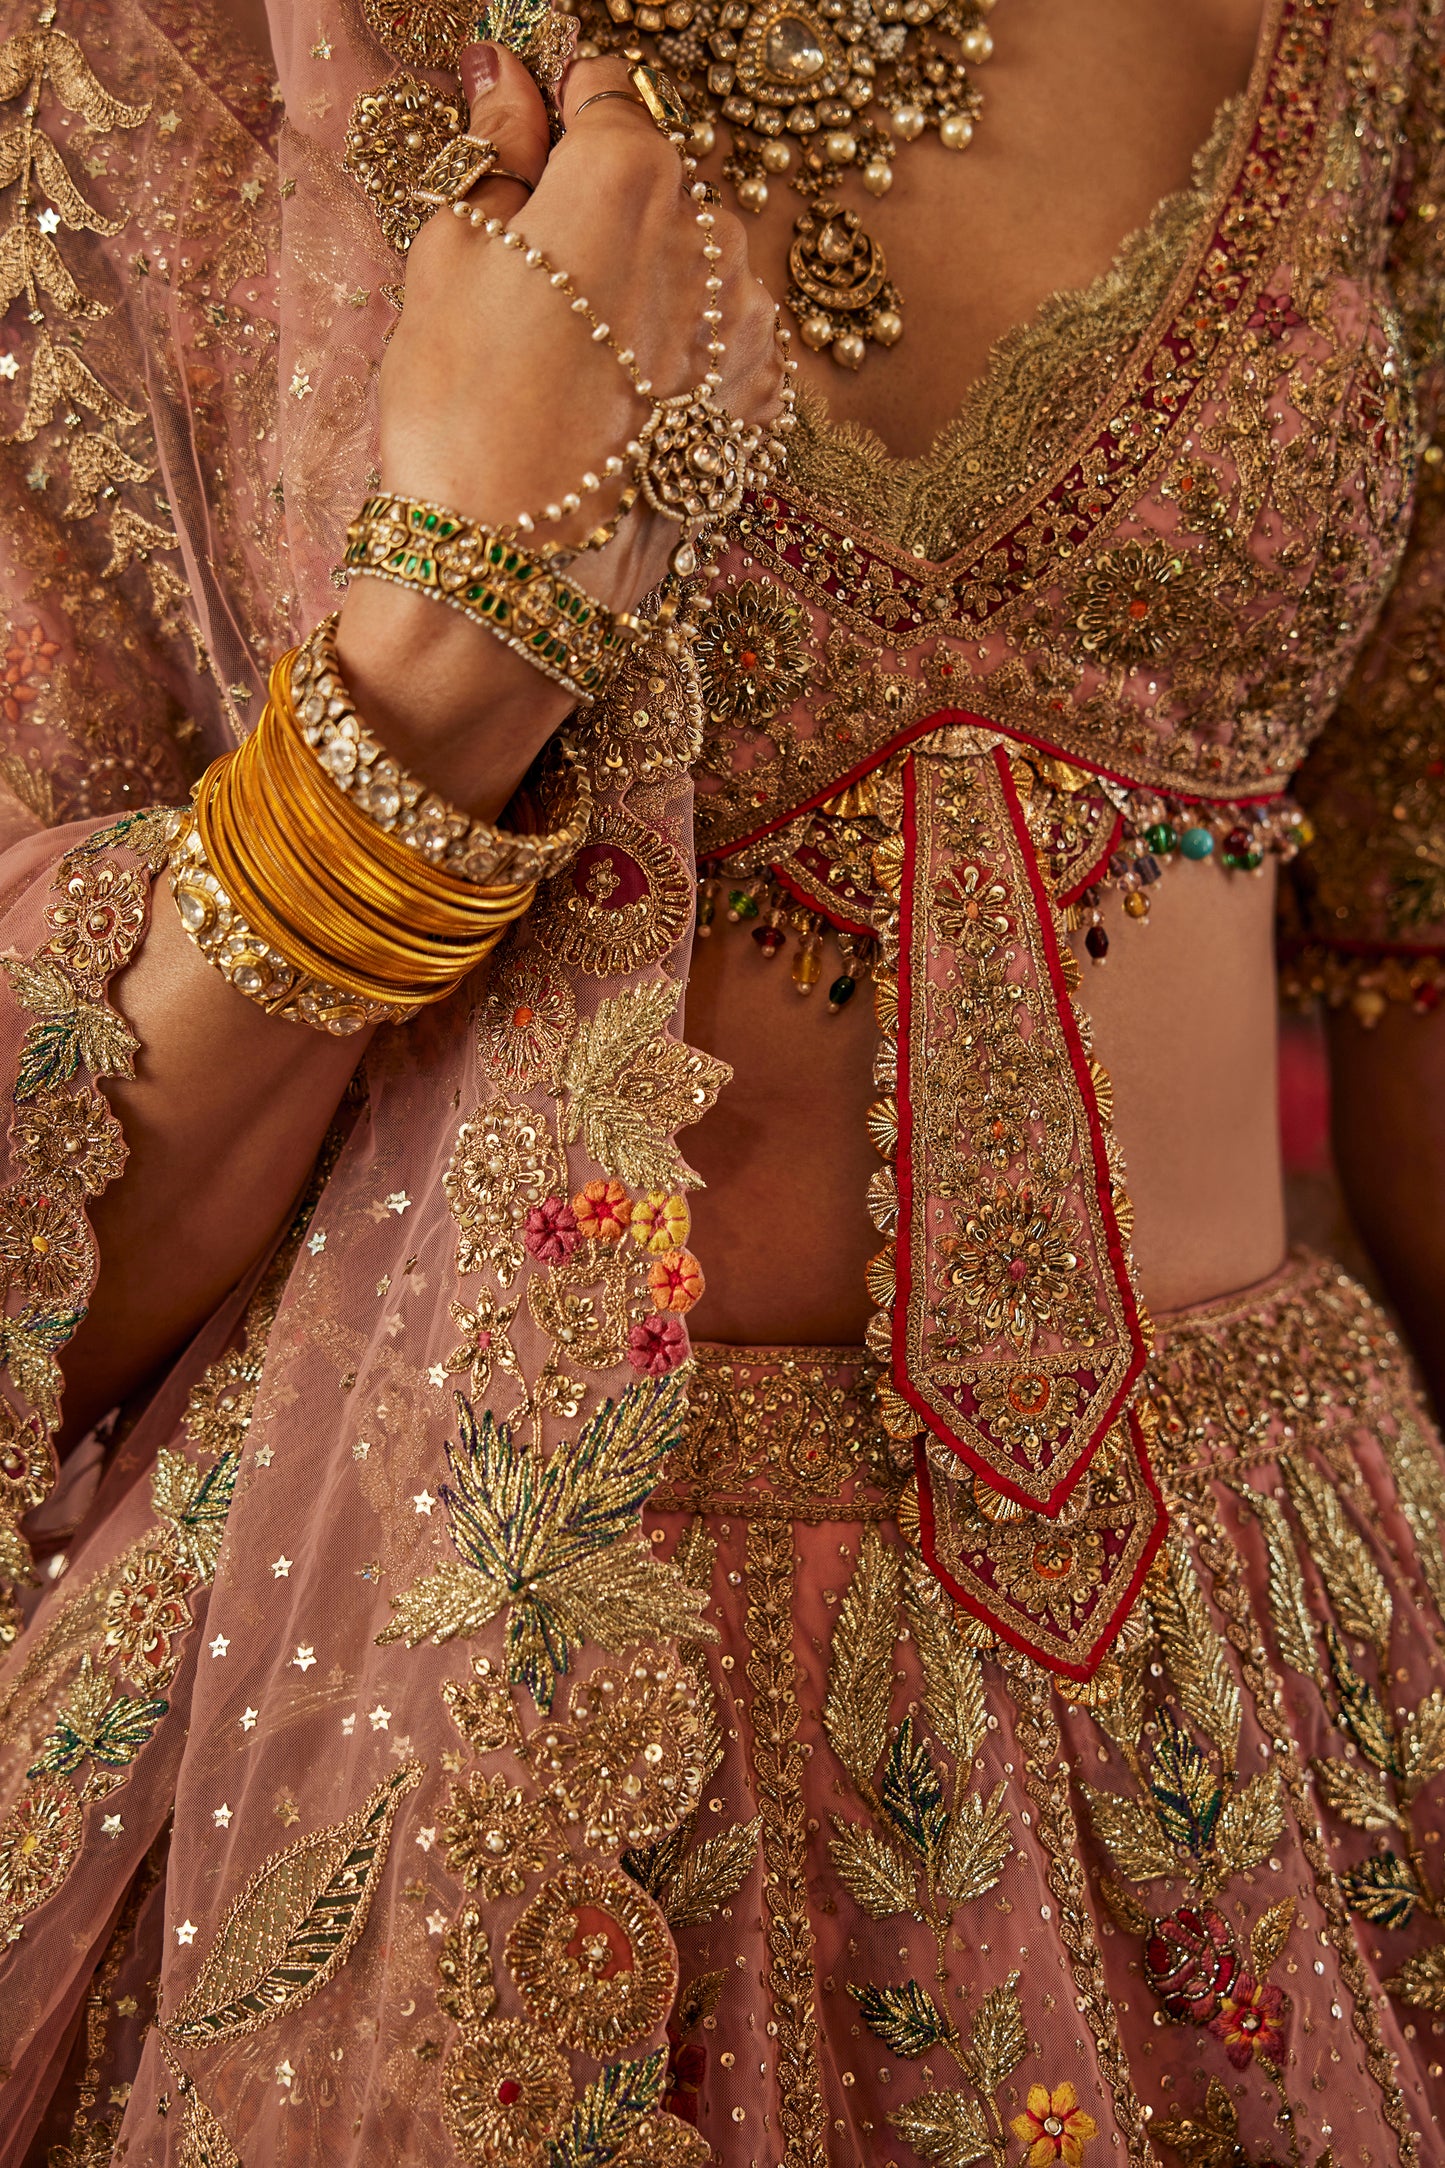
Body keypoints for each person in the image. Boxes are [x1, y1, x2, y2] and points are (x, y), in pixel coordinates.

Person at [0, 0, 1442, 2157]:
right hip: (462, 1737)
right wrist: (429, 681)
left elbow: (1416, 933)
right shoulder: (150, 55)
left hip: (1280, 1716)